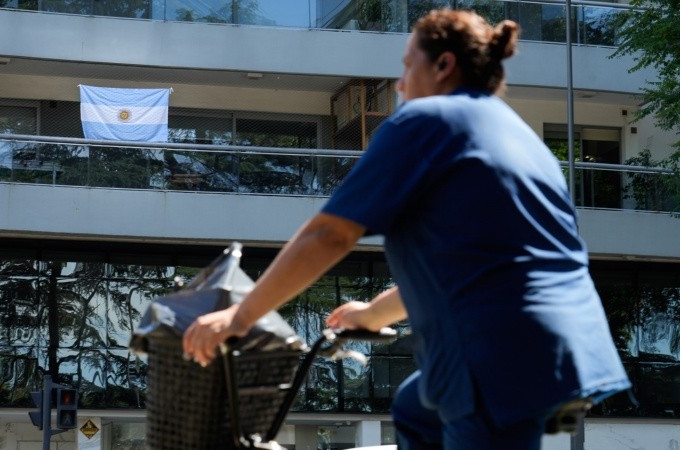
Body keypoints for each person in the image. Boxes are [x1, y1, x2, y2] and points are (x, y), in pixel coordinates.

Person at [183, 8, 630, 450]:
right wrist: (371, 315)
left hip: (494, 356)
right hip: (569, 351)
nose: (399, 84)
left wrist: (240, 316)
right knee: (416, 410)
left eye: (407, 65)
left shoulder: (427, 119)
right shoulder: (521, 138)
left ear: (443, 64)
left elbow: (330, 235)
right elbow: (490, 264)